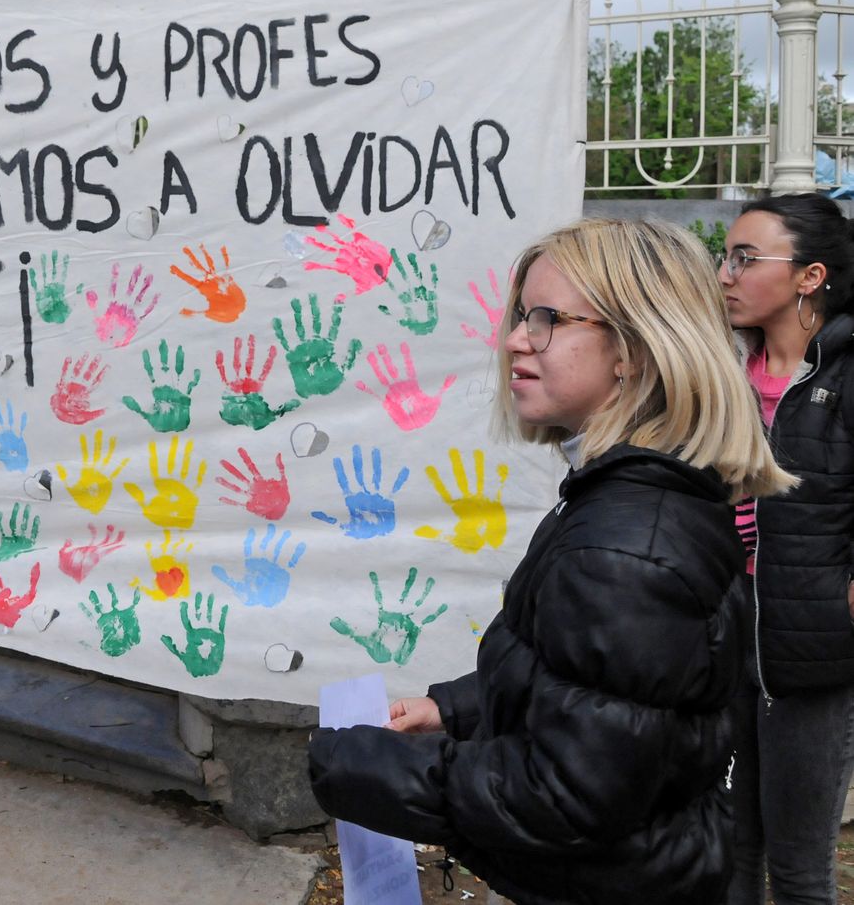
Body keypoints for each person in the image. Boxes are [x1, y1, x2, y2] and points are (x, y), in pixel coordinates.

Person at [307, 218, 794, 904]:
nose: (514, 339)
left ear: (633, 348)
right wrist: (452, 709)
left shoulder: (623, 544)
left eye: (547, 319)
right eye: (518, 315)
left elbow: (567, 796)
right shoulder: (631, 500)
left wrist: (363, 765)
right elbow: (611, 688)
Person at [719, 193, 854, 905]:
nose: (726, 273)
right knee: (729, 851)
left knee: (799, 870)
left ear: (809, 276)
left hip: (810, 650)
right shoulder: (724, 372)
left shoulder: (845, 370)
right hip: (723, 634)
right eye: (725, 255)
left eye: (745, 258)